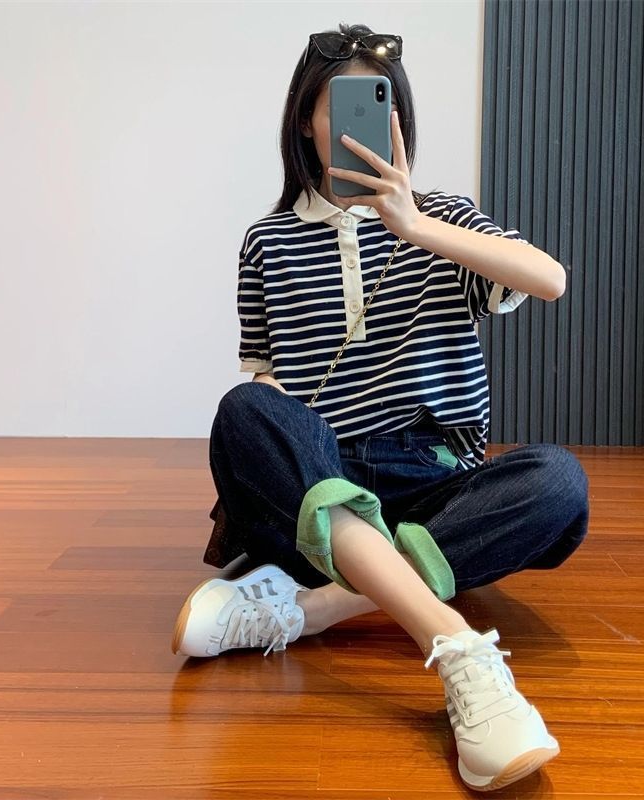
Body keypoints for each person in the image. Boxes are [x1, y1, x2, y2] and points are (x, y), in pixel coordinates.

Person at [172, 23, 589, 793]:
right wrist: (274, 426)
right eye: (341, 104)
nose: (365, 121)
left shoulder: (444, 217)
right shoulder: (266, 242)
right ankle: (456, 646)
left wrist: (416, 226)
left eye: (381, 102)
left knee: (557, 482)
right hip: (323, 489)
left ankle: (313, 610)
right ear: (306, 119)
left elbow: (550, 279)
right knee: (245, 408)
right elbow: (266, 376)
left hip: (431, 480)